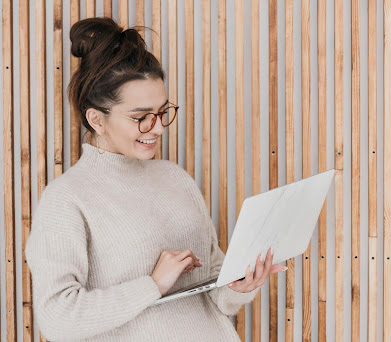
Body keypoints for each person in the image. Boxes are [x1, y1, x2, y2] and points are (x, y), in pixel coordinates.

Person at [25, 17, 285, 341]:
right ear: (97, 120)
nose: (158, 127)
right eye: (140, 117)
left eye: (162, 112)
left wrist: (239, 286)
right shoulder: (66, 199)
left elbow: (215, 289)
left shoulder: (175, 179)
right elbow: (58, 320)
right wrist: (152, 285)